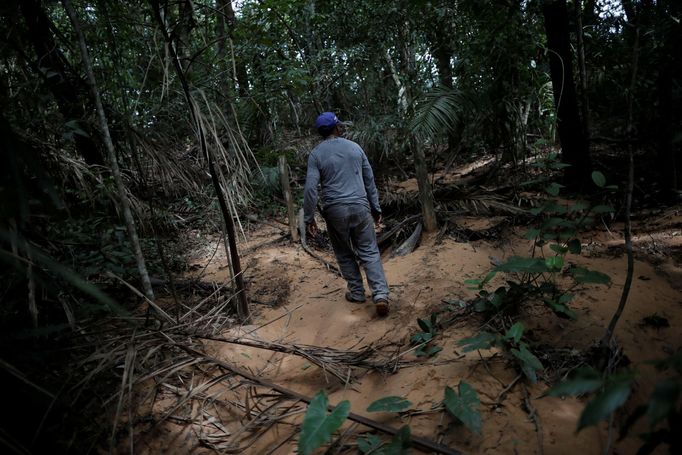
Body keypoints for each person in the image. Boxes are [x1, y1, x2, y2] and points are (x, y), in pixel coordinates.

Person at [303, 112, 390, 316]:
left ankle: (357, 293)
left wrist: (309, 217)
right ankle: (380, 294)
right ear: (337, 128)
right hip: (360, 207)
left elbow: (310, 189)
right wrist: (376, 208)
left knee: (343, 252)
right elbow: (369, 181)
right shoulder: (355, 148)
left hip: (335, 210)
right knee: (369, 250)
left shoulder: (316, 154)